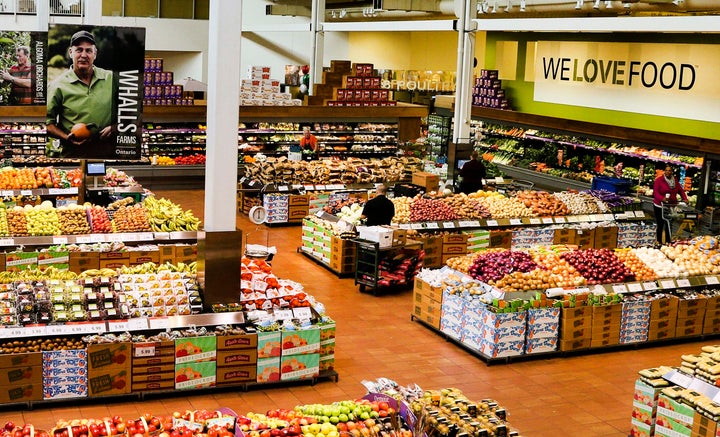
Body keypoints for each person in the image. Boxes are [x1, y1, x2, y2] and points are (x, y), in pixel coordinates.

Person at [46, 30, 116, 158]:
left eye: (88, 50)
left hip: (109, 154)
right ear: (70, 52)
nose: (84, 55)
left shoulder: (111, 79)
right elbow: (47, 124)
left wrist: (116, 127)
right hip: (73, 155)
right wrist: (66, 138)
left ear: (95, 54)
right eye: (79, 50)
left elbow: (131, 111)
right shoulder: (57, 85)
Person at [653, 165, 688, 245]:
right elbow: (656, 192)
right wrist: (662, 198)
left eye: (670, 171)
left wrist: (685, 198)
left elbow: (680, 190)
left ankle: (668, 241)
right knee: (661, 223)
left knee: (669, 223)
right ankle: (659, 241)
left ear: (672, 172)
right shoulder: (659, 180)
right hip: (660, 205)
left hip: (671, 205)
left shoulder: (675, 180)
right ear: (664, 171)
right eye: (666, 170)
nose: (668, 172)